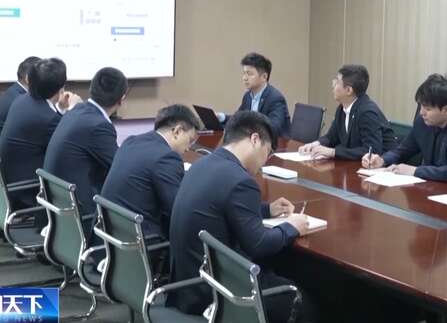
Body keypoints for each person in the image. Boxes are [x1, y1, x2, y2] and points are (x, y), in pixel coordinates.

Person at [168, 111, 313, 323]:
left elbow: (220, 207)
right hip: (221, 293)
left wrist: (267, 210)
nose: (264, 163)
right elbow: (259, 245)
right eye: (267, 152)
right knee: (309, 302)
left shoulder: (203, 164)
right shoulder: (240, 180)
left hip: (188, 285)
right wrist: (292, 226)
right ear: (255, 139)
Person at [101, 104, 201, 241]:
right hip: (142, 240)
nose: (189, 148)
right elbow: (178, 211)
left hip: (111, 233)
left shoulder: (131, 142)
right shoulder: (166, 157)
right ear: (177, 131)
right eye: (190, 140)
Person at [361, 74, 447, 181]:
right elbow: (402, 151)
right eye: (421, 106)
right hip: (428, 186)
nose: (421, 112)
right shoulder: (422, 122)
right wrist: (382, 160)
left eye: (428, 109)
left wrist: (416, 171)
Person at [43, 67, 128, 218]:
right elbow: (120, 169)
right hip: (82, 212)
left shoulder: (76, 111)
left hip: (60, 205)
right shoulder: (98, 126)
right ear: (121, 99)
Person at [0, 57, 81, 208]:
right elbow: (70, 142)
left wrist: (61, 109)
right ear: (61, 88)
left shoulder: (22, 100)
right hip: (27, 190)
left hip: (9, 183)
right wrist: (73, 109)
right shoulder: (46, 118)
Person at [298, 64, 396, 160]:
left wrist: (333, 152)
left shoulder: (367, 112)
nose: (333, 84)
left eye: (337, 82)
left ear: (348, 90)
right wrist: (315, 144)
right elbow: (331, 137)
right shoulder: (342, 108)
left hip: (382, 167)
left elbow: (372, 151)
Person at [215, 52, 292, 136]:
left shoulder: (275, 98)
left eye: (249, 74)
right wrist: (222, 117)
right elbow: (238, 119)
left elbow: (274, 128)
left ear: (264, 77)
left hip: (276, 143)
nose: (245, 78)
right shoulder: (248, 96)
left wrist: (249, 123)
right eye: (244, 73)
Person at [0, 56, 41, 152]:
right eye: (43, 77)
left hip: (1, 154)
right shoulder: (21, 101)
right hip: (5, 157)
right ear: (28, 78)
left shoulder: (13, 92)